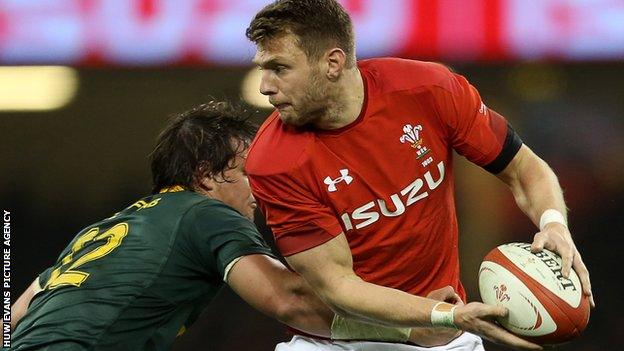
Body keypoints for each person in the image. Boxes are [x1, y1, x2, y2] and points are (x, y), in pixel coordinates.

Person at [245, 1, 594, 350]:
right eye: (263, 69)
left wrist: (553, 224)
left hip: (444, 334)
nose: (264, 86)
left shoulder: (429, 90)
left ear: (333, 63)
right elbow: (338, 286)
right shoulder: (274, 162)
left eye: (279, 68)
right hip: (343, 339)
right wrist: (438, 314)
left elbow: (523, 169)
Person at [8, 102, 462, 350]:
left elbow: (21, 308)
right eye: (250, 173)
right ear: (206, 176)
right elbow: (290, 299)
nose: (261, 190)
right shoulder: (205, 214)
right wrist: (415, 327)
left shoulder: (102, 231)